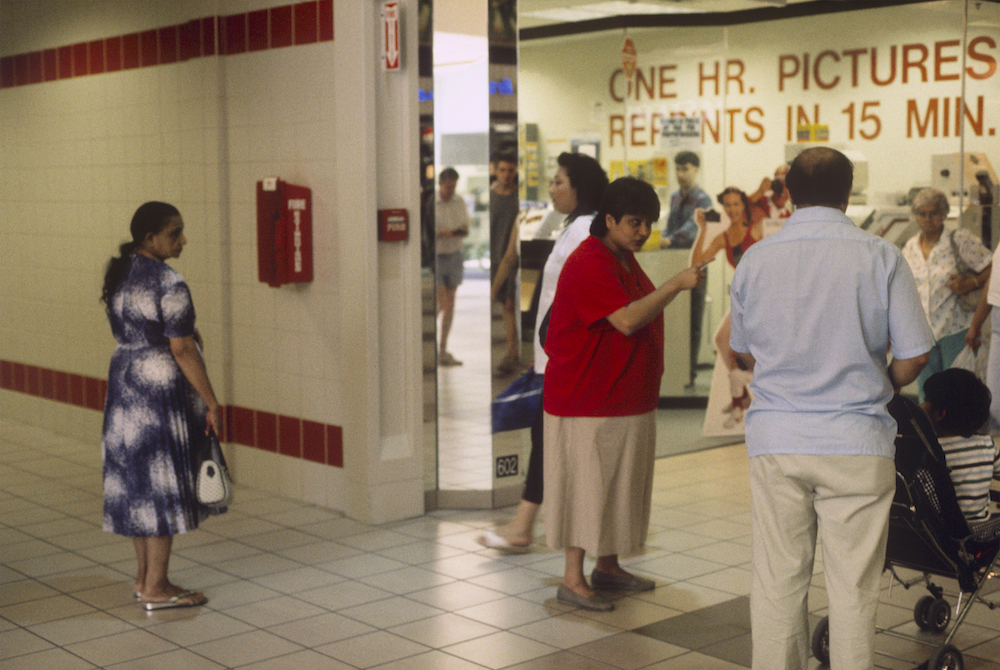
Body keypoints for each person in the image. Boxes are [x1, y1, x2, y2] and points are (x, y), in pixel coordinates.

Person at [728, 147, 933, 669]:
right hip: (857, 441)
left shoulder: (757, 258)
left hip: (777, 441)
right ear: (848, 193)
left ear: (789, 193)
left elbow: (743, 348)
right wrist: (874, 381)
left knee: (777, 580)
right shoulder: (880, 255)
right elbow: (915, 353)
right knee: (854, 589)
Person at [544, 177, 710, 611]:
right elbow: (626, 320)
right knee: (589, 487)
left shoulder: (621, 258)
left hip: (624, 397)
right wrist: (675, 284)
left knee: (620, 487)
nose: (642, 232)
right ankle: (573, 578)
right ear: (610, 219)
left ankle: (608, 566)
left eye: (648, 224)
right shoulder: (589, 261)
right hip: (589, 399)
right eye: (634, 222)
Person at [479, 152, 608, 551]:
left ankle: (526, 527)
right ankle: (528, 526)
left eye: (559, 182)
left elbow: (573, 297)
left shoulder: (586, 230)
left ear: (578, 189)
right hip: (551, 357)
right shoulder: (569, 226)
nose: (551, 188)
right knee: (544, 438)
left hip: (564, 359)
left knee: (546, 439)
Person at [101, 201, 223, 611]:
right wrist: (211, 401)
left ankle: (143, 579)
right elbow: (183, 349)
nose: (183, 240)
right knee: (160, 482)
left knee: (139, 486)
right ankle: (158, 586)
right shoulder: (169, 282)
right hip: (157, 390)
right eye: (175, 233)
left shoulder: (121, 273)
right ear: (150, 239)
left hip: (123, 383)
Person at [902, 187, 991, 400]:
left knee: (957, 390)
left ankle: (957, 431)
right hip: (923, 330)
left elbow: (992, 267)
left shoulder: (958, 239)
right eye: (922, 214)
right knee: (927, 391)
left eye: (933, 213)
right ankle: (931, 432)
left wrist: (971, 283)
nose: (927, 219)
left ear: (943, 214)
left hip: (956, 328)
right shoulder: (910, 247)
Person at [691, 187, 761, 428]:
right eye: (728, 205)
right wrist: (702, 230)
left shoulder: (756, 228)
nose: (732, 210)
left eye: (736, 204)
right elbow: (698, 263)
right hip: (745, 298)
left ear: (744, 205)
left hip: (764, 297)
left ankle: (749, 397)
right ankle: (743, 397)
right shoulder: (724, 236)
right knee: (722, 339)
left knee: (741, 348)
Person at [921, 368, 1000, 541]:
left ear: (940, 414)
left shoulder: (930, 452)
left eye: (926, 400)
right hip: (982, 534)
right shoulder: (987, 445)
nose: (921, 406)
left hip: (944, 538)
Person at [658, 151, 713, 387]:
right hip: (675, 263)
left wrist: (670, 240)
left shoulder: (705, 200)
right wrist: (664, 238)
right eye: (678, 169)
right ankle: (677, 370)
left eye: (686, 169)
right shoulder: (674, 197)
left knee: (693, 320)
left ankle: (688, 373)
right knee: (676, 319)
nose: (681, 174)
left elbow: (696, 226)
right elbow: (670, 224)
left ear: (696, 170)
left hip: (696, 264)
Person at [490, 153, 522, 377]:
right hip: (495, 257)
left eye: (510, 170)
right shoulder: (490, 197)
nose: (507, 174)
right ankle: (513, 349)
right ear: (494, 169)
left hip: (515, 257)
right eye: (503, 170)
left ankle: (512, 351)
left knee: (511, 304)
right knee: (505, 305)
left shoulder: (519, 197)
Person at [435, 167, 470, 366]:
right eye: (448, 186)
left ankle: (442, 348)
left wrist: (449, 233)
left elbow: (464, 229)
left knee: (450, 305)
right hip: (438, 257)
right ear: (441, 184)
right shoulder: (434, 203)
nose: (451, 189)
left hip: (454, 256)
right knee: (443, 304)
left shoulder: (459, 202)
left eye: (454, 186)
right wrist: (446, 233)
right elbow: (431, 232)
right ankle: (435, 346)